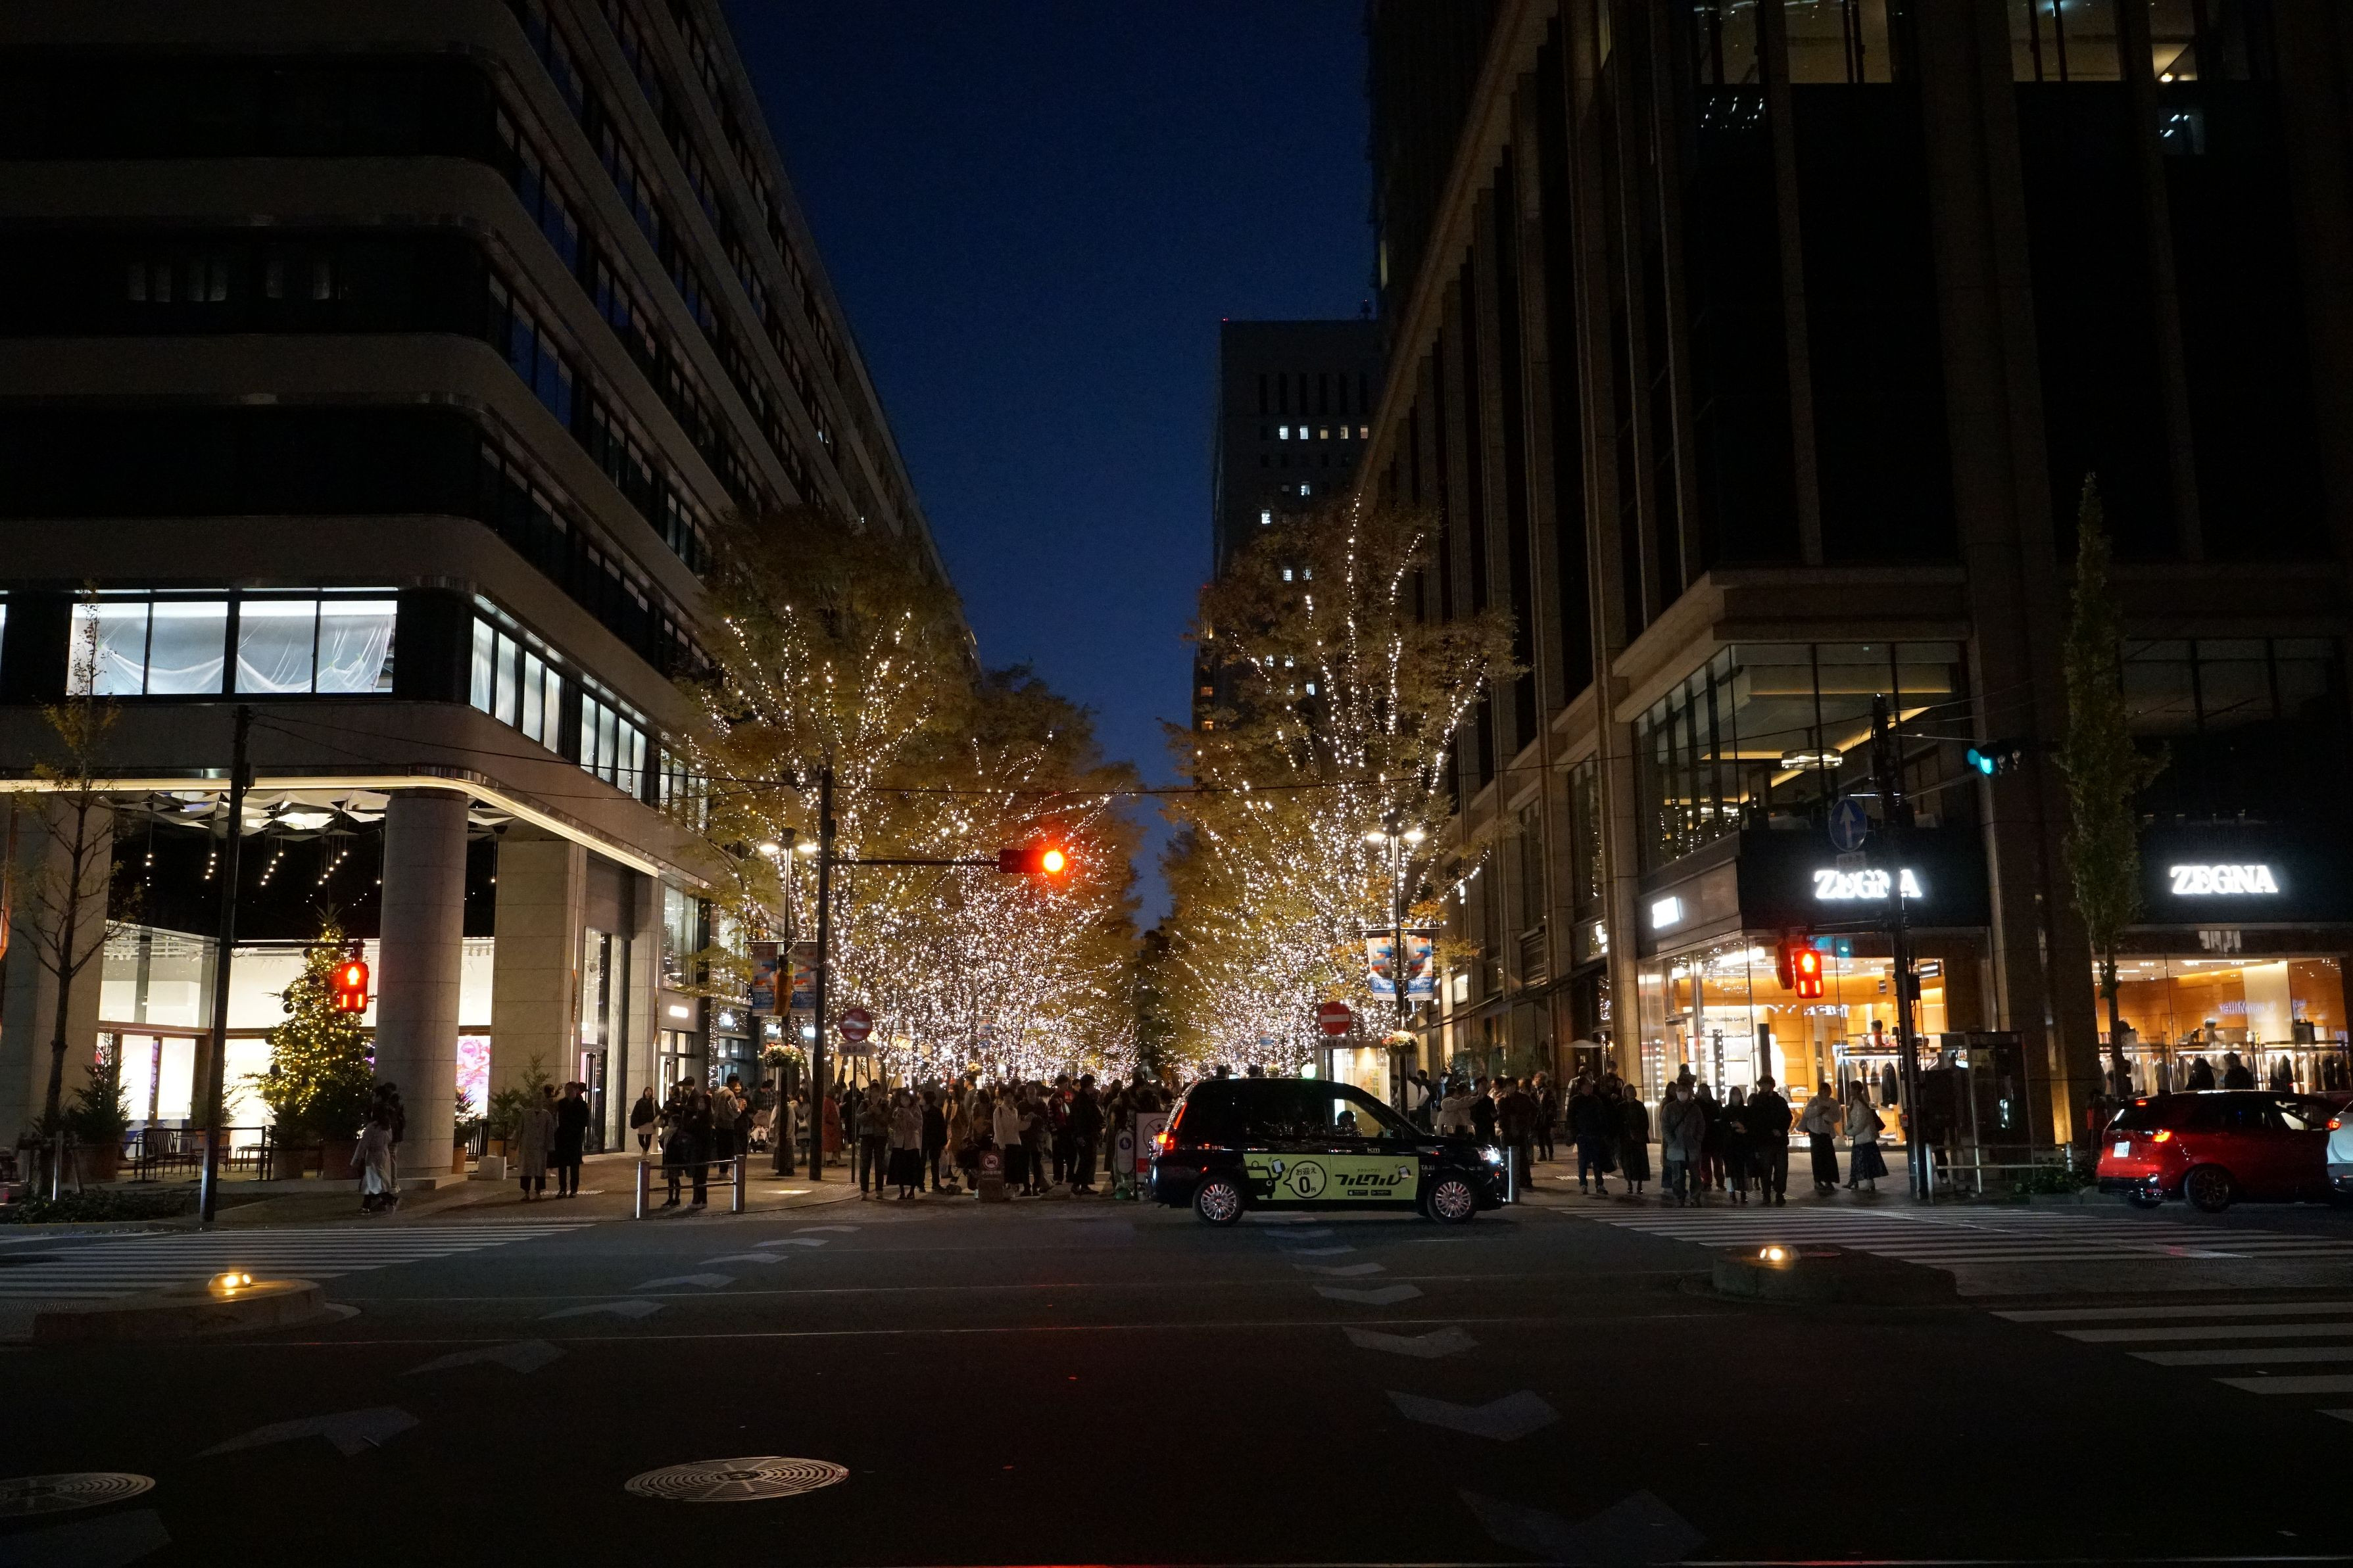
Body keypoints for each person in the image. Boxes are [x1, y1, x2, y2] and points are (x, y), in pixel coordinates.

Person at [1747, 1075, 1793, 1206]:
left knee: (1781, 1169)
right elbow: (1755, 1122)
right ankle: (1766, 1194)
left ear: (1771, 1085)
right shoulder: (1758, 1102)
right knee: (1766, 1170)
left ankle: (1779, 1193)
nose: (1762, 1087)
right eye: (1761, 1085)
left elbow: (1788, 1117)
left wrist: (1781, 1130)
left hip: (1779, 1141)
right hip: (1765, 1141)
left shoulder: (1780, 1101)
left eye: (1765, 1084)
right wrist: (1772, 1131)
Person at [1658, 1080, 1704, 1208]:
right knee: (1678, 1175)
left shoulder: (1695, 1109)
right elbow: (1665, 1126)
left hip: (1692, 1147)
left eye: (1684, 1091)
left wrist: (1697, 1139)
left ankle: (1695, 1197)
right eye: (1679, 1091)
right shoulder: (1669, 1108)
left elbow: (1701, 1125)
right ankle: (1680, 1197)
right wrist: (1671, 1140)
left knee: (1695, 1175)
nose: (1682, 1093)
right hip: (1676, 1147)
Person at [1799, 1080, 1843, 1195]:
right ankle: (1818, 1181)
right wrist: (1819, 1109)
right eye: (1825, 1090)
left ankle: (1829, 1180)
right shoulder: (1814, 1101)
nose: (1827, 1092)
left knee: (1829, 1157)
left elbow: (1837, 1117)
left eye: (1828, 1090)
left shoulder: (1833, 1103)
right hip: (1815, 1132)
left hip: (1827, 1132)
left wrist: (1826, 1115)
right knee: (1817, 1157)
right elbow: (1807, 1113)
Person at [516, 1083, 556, 1202]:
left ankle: (538, 1192)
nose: (537, 1101)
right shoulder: (526, 1114)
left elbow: (550, 1131)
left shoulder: (547, 1115)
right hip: (527, 1145)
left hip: (541, 1146)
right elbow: (519, 1129)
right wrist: (515, 1143)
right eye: (535, 1099)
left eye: (540, 1099)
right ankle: (526, 1192)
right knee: (526, 1170)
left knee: (540, 1170)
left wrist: (550, 1146)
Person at [1843, 1085, 1887, 1193]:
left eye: (1851, 1088)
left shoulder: (1859, 1104)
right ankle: (1859, 1181)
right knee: (1864, 1159)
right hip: (1864, 1136)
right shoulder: (1859, 1102)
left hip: (1863, 1137)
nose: (1849, 1090)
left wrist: (1849, 1131)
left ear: (1856, 1090)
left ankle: (1867, 1182)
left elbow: (1859, 1123)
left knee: (1864, 1160)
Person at [1498, 1076, 1539, 1191]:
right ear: (1505, 1088)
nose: (1511, 1088)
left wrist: (1528, 1124)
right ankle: (1513, 1180)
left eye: (1512, 1086)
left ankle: (1526, 1180)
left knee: (1523, 1157)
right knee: (1509, 1157)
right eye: (1508, 1086)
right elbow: (1501, 1117)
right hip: (1508, 1132)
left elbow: (1535, 1110)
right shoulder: (1503, 1101)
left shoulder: (1523, 1099)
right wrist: (1504, 1127)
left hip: (1521, 1131)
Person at [551, 1080, 591, 1198]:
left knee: (574, 1166)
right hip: (562, 1137)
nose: (568, 1092)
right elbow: (556, 1118)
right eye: (566, 1090)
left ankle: (574, 1189)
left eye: (570, 1090)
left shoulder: (582, 1105)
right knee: (562, 1166)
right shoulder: (561, 1103)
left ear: (576, 1090)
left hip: (575, 1138)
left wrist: (576, 1131)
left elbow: (584, 1122)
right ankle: (562, 1189)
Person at [354, 1106, 396, 1214]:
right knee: (370, 1181)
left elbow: (363, 1144)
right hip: (383, 1154)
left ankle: (390, 1199)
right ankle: (366, 1206)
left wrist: (357, 1158)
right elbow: (390, 1139)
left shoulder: (372, 1127)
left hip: (373, 1156)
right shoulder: (387, 1126)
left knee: (373, 1181)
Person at [856, 1082, 892, 1198]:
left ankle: (879, 1190)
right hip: (867, 1134)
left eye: (877, 1091)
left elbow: (887, 1120)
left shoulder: (885, 1104)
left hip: (880, 1135)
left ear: (880, 1092)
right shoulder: (864, 1103)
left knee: (879, 1163)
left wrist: (878, 1113)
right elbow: (858, 1118)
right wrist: (868, 1113)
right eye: (872, 1091)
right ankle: (864, 1190)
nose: (874, 1093)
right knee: (865, 1163)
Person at [1718, 1086, 1753, 1204]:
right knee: (1730, 1171)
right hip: (1729, 1145)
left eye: (1738, 1094)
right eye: (1734, 1094)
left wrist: (1745, 1129)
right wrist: (1732, 1126)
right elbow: (1722, 1127)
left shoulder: (1746, 1111)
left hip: (1742, 1144)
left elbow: (1751, 1124)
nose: (1736, 1097)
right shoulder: (1726, 1111)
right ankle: (1731, 1192)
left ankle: (1743, 1193)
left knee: (1742, 1170)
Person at [1069, 1075, 1103, 1194]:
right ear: (1089, 1085)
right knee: (1086, 1160)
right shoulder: (1082, 1100)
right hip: (1085, 1134)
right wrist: (1079, 1135)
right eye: (1092, 1085)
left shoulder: (1084, 1099)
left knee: (1087, 1160)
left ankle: (1083, 1185)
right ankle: (1077, 1184)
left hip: (1087, 1133)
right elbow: (1079, 1119)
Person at [1614, 1089, 1651, 1197]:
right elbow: (1618, 1123)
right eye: (1628, 1091)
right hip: (1626, 1139)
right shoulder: (1621, 1106)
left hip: (1638, 1139)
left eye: (1632, 1091)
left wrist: (1639, 1133)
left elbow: (1645, 1122)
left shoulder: (1640, 1106)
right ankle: (1629, 1184)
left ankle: (1639, 1185)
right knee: (1627, 1162)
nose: (1631, 1093)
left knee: (1640, 1162)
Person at [888, 1091, 924, 1199]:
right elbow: (893, 1125)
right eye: (902, 1099)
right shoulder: (897, 1110)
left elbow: (919, 1123)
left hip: (912, 1142)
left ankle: (912, 1191)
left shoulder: (915, 1109)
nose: (904, 1101)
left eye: (906, 1099)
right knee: (900, 1168)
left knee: (912, 1167)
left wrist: (909, 1115)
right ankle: (902, 1191)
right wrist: (898, 1118)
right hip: (899, 1142)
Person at [992, 1090, 1027, 1193]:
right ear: (1003, 1097)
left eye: (1010, 1096)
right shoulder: (999, 1110)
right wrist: (1001, 1145)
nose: (1009, 1098)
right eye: (1006, 1096)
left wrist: (1027, 1122)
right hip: (1004, 1143)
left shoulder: (1015, 1111)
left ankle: (1013, 1187)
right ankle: (1006, 1187)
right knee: (1006, 1167)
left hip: (1015, 1142)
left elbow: (1017, 1127)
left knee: (1014, 1167)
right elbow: (998, 1128)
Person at [629, 1087, 659, 1156]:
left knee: (648, 1138)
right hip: (641, 1123)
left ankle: (645, 1152)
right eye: (647, 1091)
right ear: (644, 1092)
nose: (648, 1092)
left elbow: (658, 1110)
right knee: (640, 1138)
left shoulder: (654, 1101)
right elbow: (636, 1112)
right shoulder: (640, 1102)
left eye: (650, 1091)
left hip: (650, 1122)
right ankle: (644, 1149)